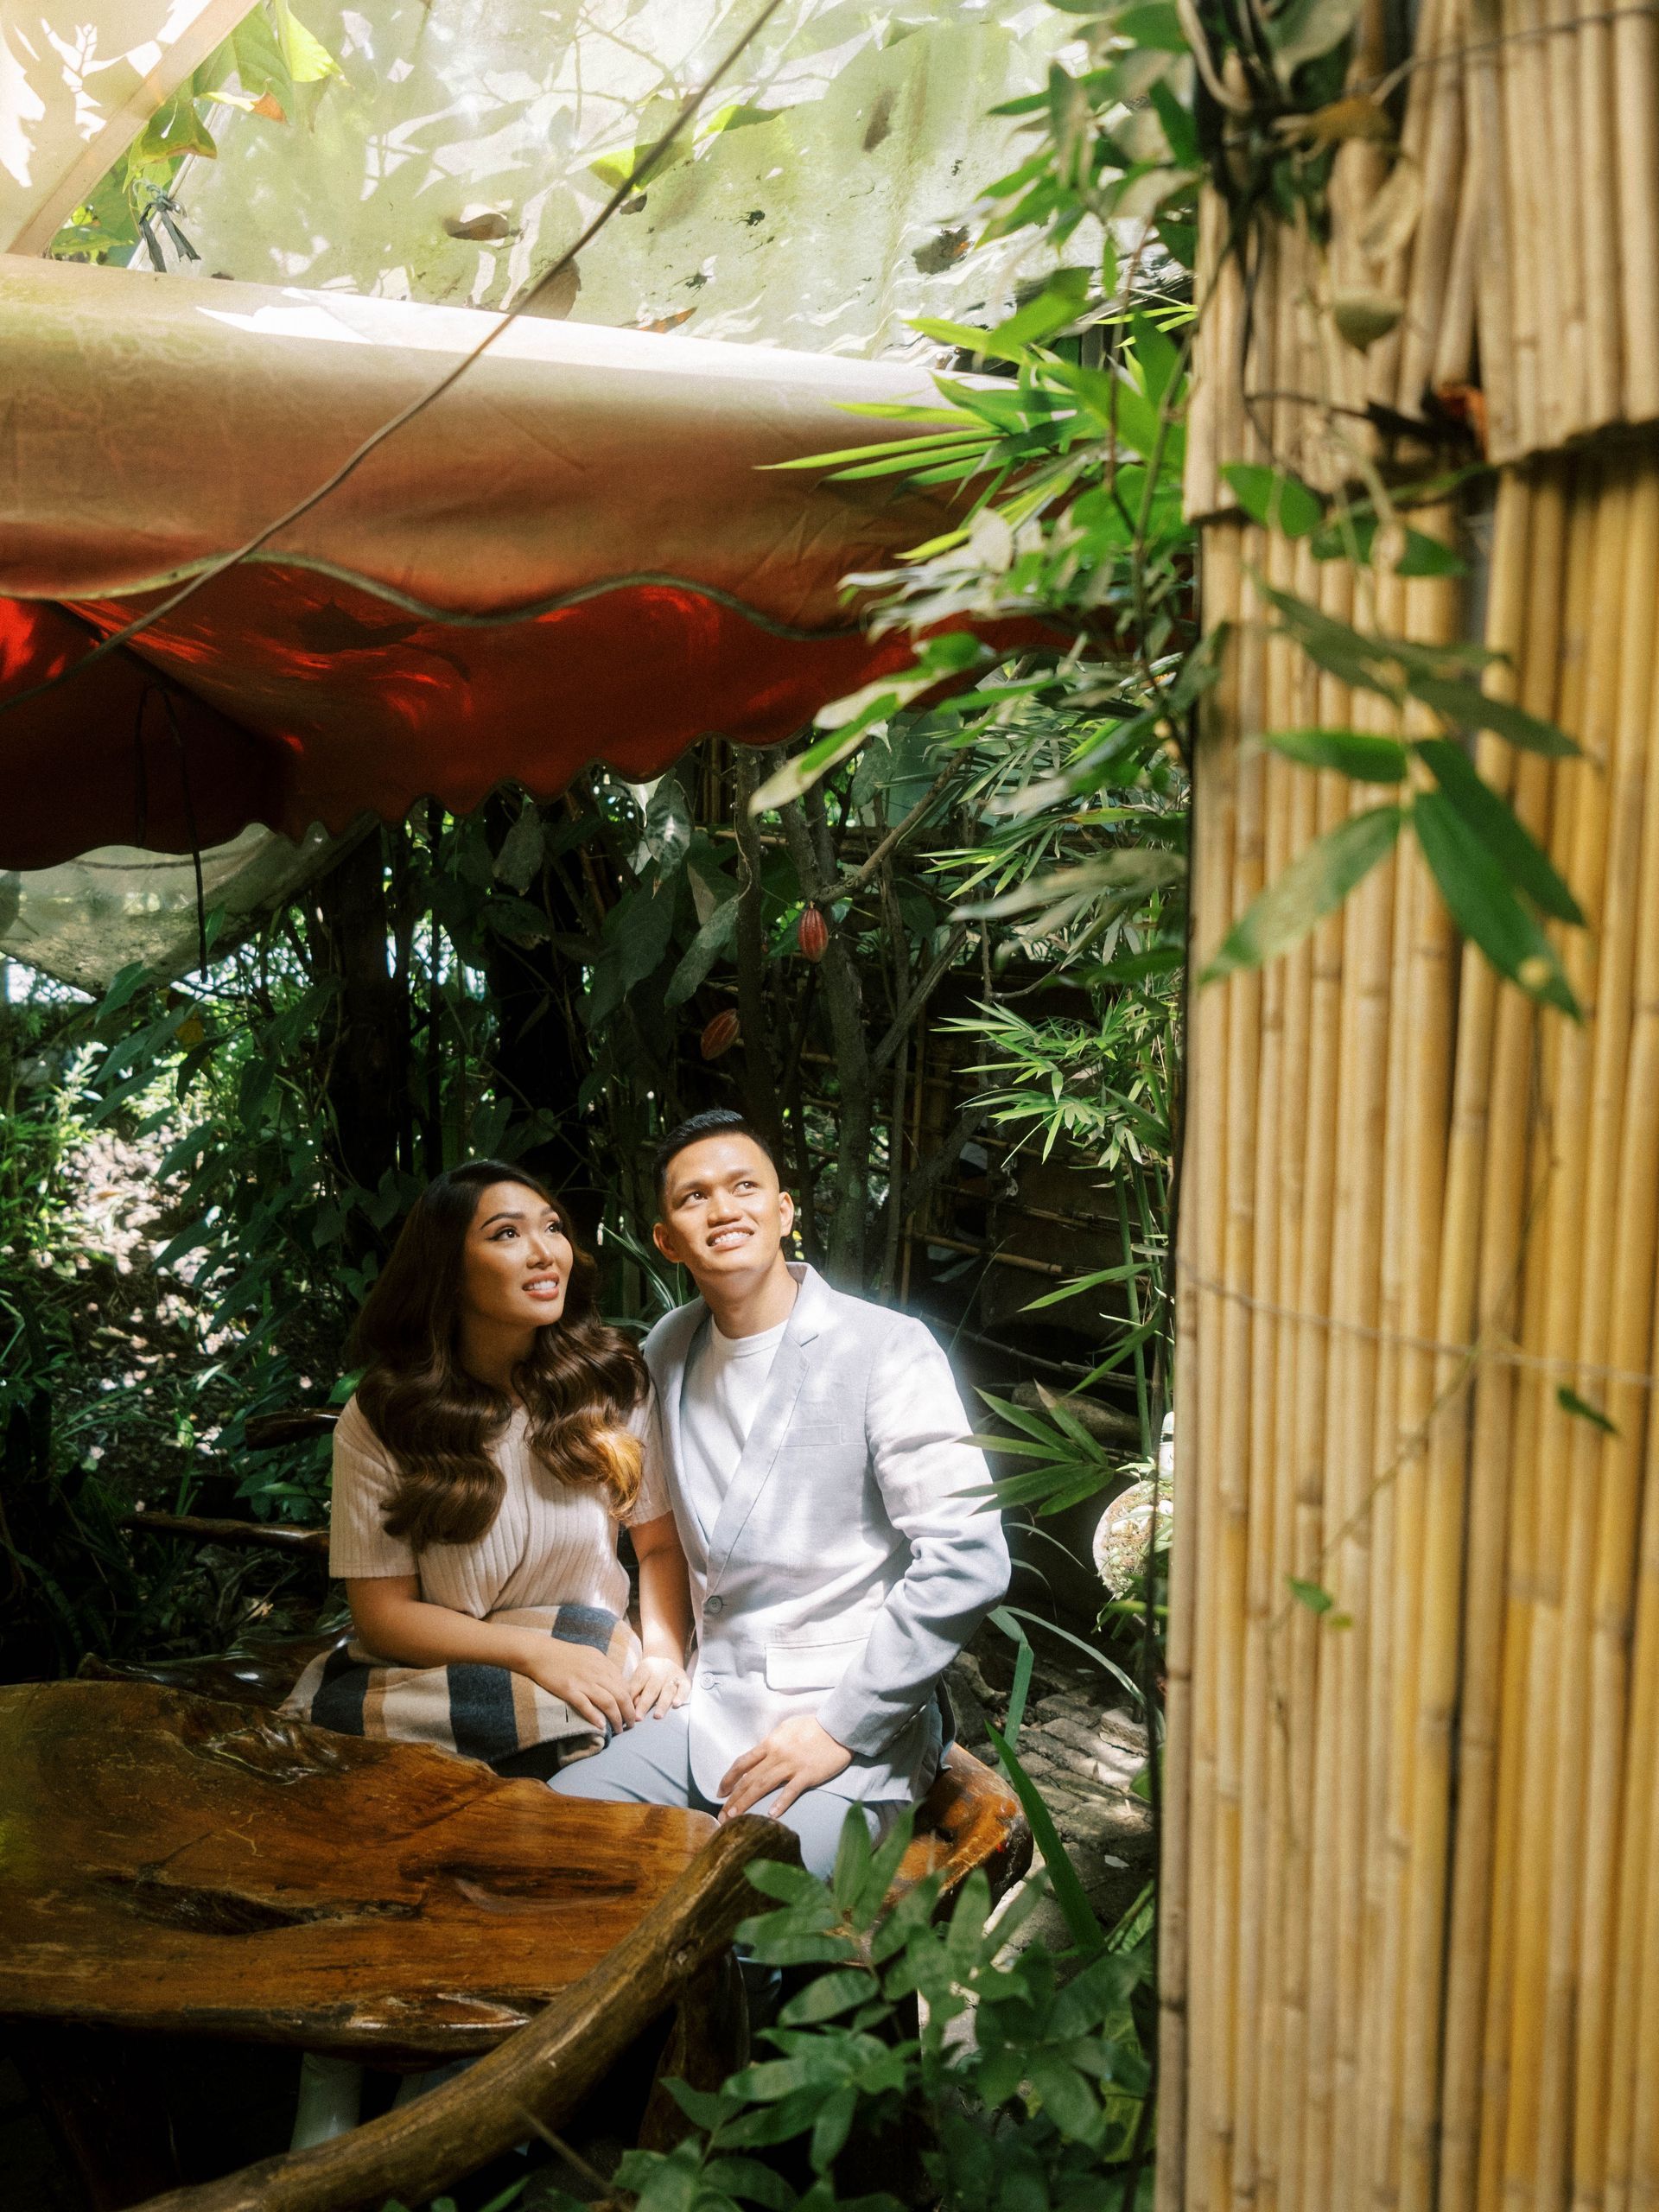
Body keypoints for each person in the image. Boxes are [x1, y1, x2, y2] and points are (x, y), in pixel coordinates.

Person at [280, 1160, 693, 2148]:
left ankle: (436, 2103)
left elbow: (656, 1546)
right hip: (432, 1664)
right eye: (506, 1233)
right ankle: (328, 2079)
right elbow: (383, 1616)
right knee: (367, 1833)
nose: (545, 1251)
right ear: (447, 1267)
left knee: (515, 1865)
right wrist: (525, 1656)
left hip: (580, 1658)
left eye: (551, 1226)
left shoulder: (610, 1381)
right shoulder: (388, 1413)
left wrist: (664, 1651)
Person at [548, 1109, 1010, 1877]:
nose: (723, 1209)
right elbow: (657, 1535)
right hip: (706, 1715)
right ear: (667, 1239)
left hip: (847, 1733)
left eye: (745, 1187)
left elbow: (969, 1558)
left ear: (785, 1210)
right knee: (544, 1834)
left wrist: (838, 1728)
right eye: (694, 1197)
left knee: (746, 1905)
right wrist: (663, 1652)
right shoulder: (667, 1346)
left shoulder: (886, 1348)